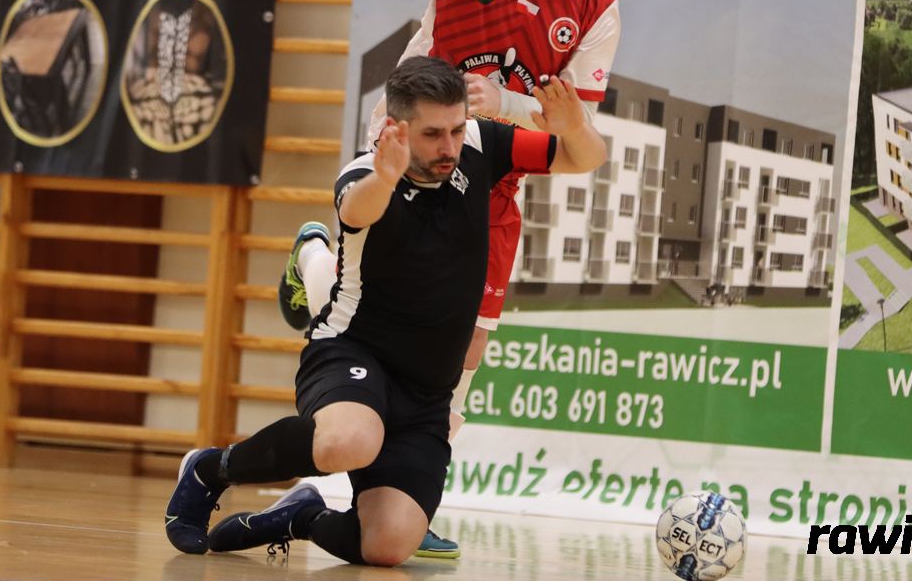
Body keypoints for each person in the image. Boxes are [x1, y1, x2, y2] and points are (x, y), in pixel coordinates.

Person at [282, 0, 620, 554]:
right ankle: (317, 263)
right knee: (369, 317)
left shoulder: (597, 7)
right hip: (404, 164)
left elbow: (573, 128)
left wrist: (516, 104)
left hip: (490, 190)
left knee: (456, 380)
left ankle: (399, 504)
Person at [164, 56, 606, 565]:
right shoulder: (364, 176)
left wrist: (574, 126)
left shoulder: (480, 144)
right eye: (433, 134)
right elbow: (355, 211)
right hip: (352, 355)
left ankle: (300, 516)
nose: (449, 147)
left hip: (426, 395)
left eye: (457, 129)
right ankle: (210, 470)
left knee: (389, 545)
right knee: (349, 442)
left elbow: (584, 157)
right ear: (397, 128)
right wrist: (387, 175)